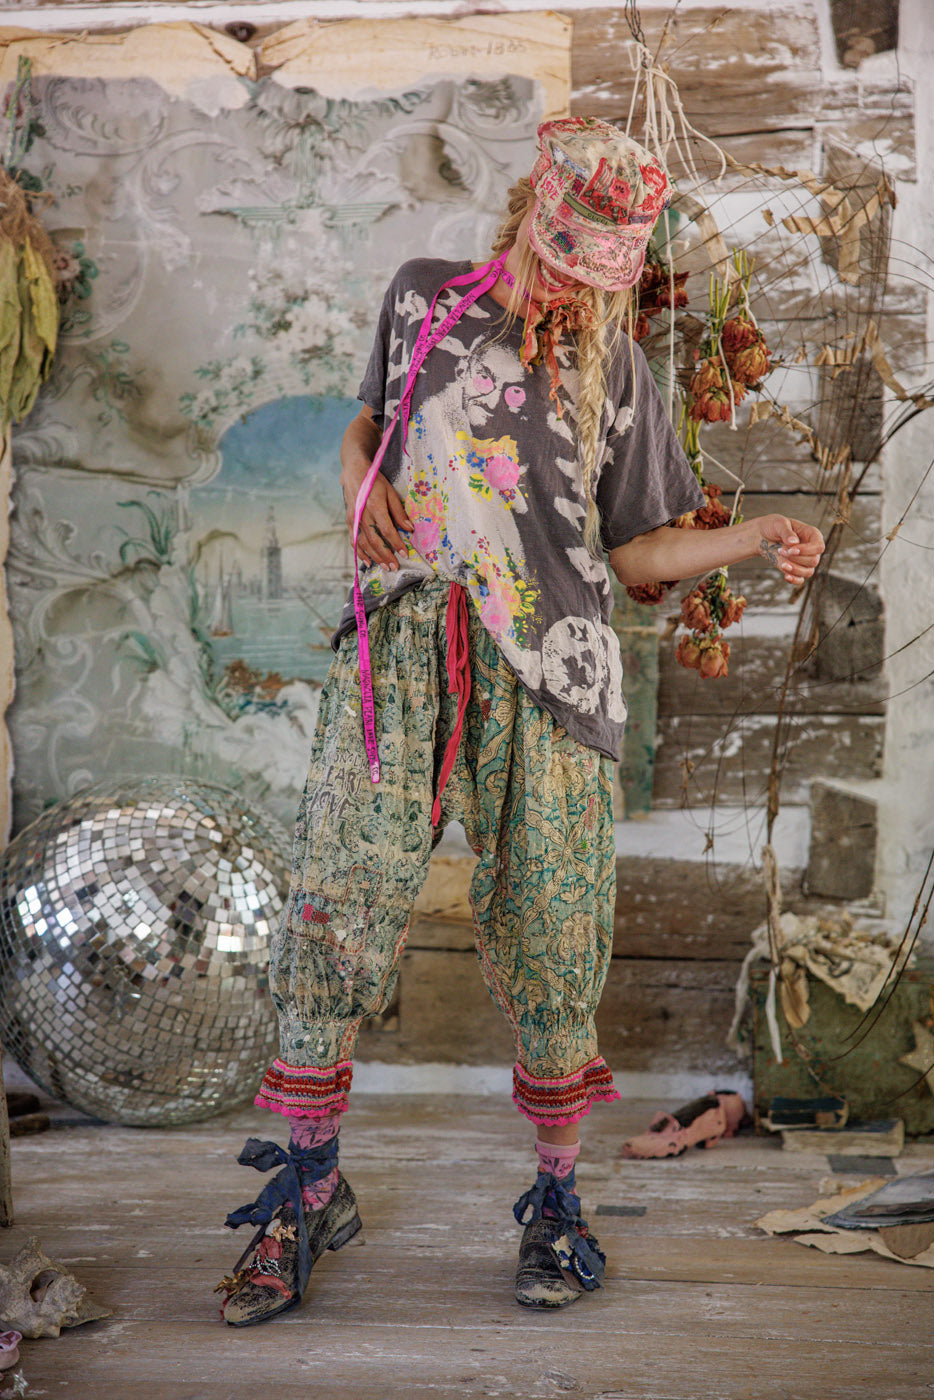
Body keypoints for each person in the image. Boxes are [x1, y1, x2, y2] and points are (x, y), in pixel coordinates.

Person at [215, 117, 825, 1326]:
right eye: (563, 263)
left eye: (598, 276)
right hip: (404, 648)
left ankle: (556, 1200)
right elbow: (368, 425)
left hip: (553, 673)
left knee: (552, 932)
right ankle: (307, 1189)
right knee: (338, 903)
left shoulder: (620, 370)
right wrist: (358, 482)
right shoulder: (423, 298)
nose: (574, 291)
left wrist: (753, 536)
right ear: (527, 222)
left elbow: (635, 550)